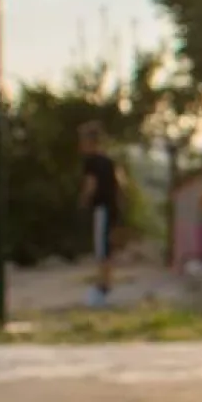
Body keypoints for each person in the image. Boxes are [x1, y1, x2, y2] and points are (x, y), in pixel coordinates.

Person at [77, 122, 121, 308]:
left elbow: (91, 184)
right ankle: (106, 285)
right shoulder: (109, 161)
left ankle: (103, 289)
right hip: (111, 208)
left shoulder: (92, 162)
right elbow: (120, 183)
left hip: (101, 208)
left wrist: (83, 201)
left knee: (102, 249)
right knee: (107, 249)